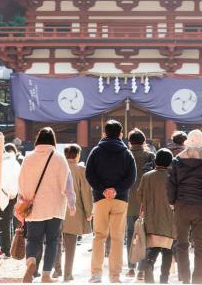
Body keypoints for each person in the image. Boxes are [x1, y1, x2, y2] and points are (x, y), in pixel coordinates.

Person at [18, 127, 76, 283]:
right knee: (52, 241)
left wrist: (24, 199)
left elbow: (21, 183)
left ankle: (31, 261)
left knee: (33, 239)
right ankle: (46, 275)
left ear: (38, 140)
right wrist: (72, 204)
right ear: (53, 141)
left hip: (34, 208)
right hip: (55, 208)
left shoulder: (28, 158)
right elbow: (67, 184)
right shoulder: (59, 158)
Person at [167, 129, 202, 285]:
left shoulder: (176, 161)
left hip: (181, 206)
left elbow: (170, 185)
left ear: (187, 142)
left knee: (182, 244)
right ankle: (198, 280)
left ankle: (185, 278)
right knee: (200, 245)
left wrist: (172, 202)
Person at [85, 119, 137, 284]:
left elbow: (89, 174)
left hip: (100, 199)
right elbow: (131, 177)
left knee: (99, 236)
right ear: (121, 134)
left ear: (104, 133)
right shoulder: (126, 153)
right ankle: (115, 276)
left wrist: (103, 189)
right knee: (118, 237)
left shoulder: (96, 151)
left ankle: (96, 274)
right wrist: (116, 190)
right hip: (120, 199)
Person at [54, 144, 93, 282]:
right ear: (77, 155)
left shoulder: (58, 168)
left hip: (56, 210)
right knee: (70, 244)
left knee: (56, 241)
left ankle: (56, 269)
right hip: (74, 212)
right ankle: (67, 274)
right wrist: (89, 212)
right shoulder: (81, 169)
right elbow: (86, 193)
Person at [137, 148, 176, 284]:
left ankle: (148, 272)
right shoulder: (172, 177)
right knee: (167, 250)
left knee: (153, 249)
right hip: (170, 219)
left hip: (151, 218)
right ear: (170, 162)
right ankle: (164, 280)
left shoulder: (147, 176)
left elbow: (140, 196)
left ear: (156, 161)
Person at [126, 128, 155, 279]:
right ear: (144, 141)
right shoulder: (150, 156)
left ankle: (131, 267)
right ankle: (142, 271)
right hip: (146, 202)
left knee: (130, 235)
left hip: (128, 201)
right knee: (145, 236)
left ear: (129, 142)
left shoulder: (125, 154)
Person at [0, 143, 21, 258]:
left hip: (3, 194)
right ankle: (11, 248)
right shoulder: (16, 163)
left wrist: (5, 192)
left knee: (5, 222)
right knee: (12, 221)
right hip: (15, 194)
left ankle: (6, 249)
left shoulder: (2, 162)